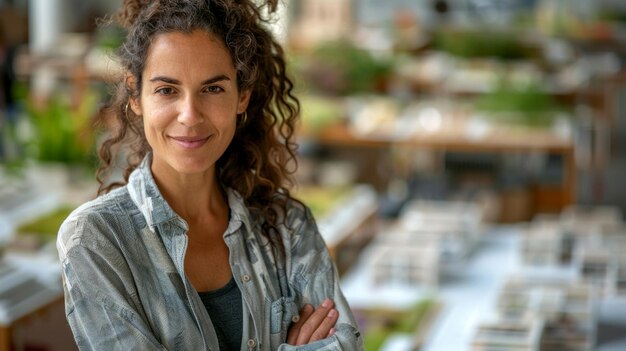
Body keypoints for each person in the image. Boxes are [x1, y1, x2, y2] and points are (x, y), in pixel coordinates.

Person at [56, 0, 363, 350]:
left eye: (213, 88)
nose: (189, 115)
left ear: (242, 97)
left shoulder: (287, 226)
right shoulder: (96, 240)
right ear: (136, 95)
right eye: (167, 90)